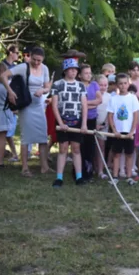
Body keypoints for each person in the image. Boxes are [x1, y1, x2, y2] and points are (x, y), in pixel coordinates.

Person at [11, 46, 52, 177]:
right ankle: (24, 168)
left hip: (38, 106)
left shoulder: (44, 68)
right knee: (26, 137)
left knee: (43, 136)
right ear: (30, 56)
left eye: (39, 60)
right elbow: (3, 76)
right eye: (34, 59)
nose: (36, 63)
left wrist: (43, 91)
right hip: (26, 105)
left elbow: (47, 87)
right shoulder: (24, 67)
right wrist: (10, 91)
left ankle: (44, 166)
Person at [51, 51, 89, 188]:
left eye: (75, 70)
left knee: (76, 148)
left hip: (77, 120)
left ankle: (79, 176)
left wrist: (84, 123)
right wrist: (60, 123)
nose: (73, 72)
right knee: (63, 148)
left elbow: (84, 105)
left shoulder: (81, 86)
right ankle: (59, 177)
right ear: (65, 70)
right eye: (71, 69)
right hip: (62, 121)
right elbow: (54, 105)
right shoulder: (57, 84)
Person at [107, 73, 139, 184]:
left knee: (129, 154)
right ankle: (115, 176)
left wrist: (132, 131)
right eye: (120, 83)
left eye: (125, 83)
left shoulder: (132, 98)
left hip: (129, 132)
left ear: (128, 84)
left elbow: (136, 115)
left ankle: (129, 176)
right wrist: (114, 130)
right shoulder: (113, 99)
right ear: (117, 85)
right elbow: (110, 116)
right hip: (118, 131)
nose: (123, 85)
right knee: (116, 154)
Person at [81, 64, 102, 178]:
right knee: (81, 145)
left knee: (90, 144)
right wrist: (90, 104)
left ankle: (90, 169)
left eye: (90, 73)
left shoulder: (94, 85)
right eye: (86, 73)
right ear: (80, 75)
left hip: (92, 118)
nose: (89, 75)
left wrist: (84, 104)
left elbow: (99, 100)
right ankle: (80, 169)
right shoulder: (78, 85)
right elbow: (77, 104)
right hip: (80, 119)